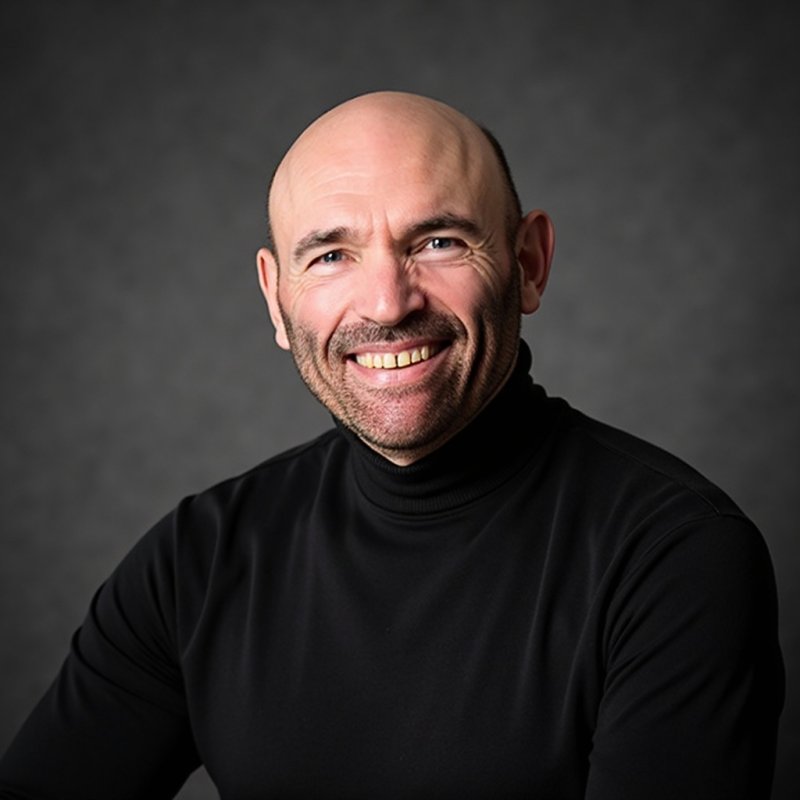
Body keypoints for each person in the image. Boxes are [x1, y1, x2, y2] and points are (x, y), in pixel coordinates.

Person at [0, 91, 784, 799]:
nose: (386, 303)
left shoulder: (673, 554)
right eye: (331, 256)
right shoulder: (198, 562)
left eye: (438, 241)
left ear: (528, 264)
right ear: (277, 299)